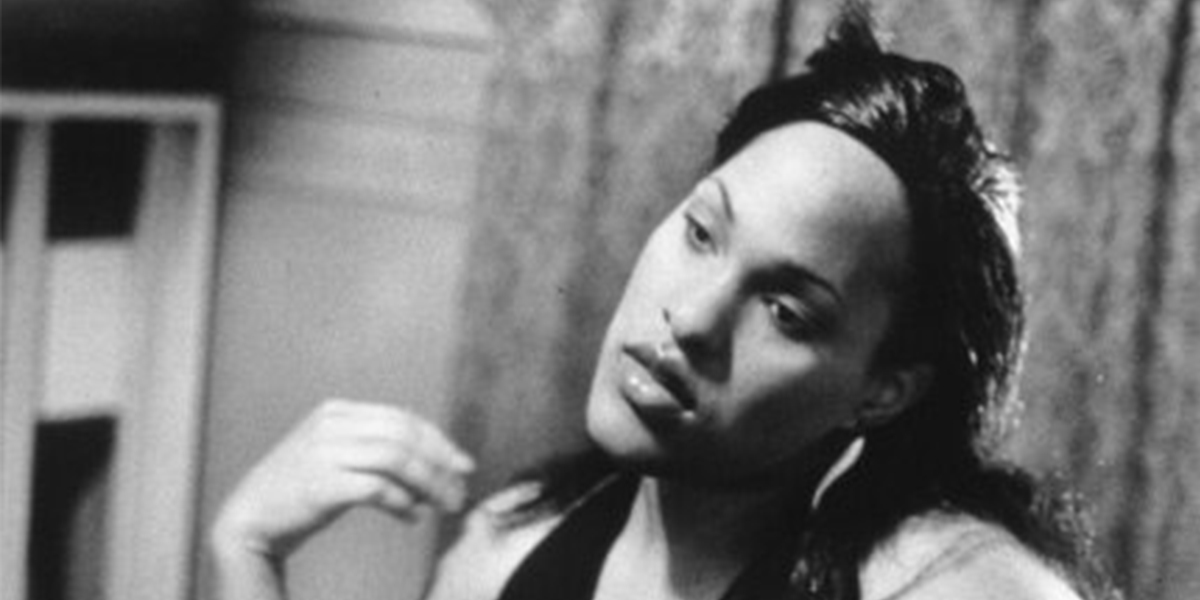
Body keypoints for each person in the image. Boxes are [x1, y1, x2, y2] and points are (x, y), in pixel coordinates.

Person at [210, 7, 1113, 600]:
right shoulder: (505, 551)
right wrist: (247, 553)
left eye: (787, 312)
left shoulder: (954, 588)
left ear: (883, 390)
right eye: (701, 234)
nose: (690, 318)